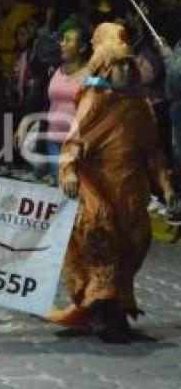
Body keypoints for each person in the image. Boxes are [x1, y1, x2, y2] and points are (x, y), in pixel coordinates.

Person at [50, 23, 176, 342]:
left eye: (126, 64)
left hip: (130, 188)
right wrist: (69, 171)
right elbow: (75, 140)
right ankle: (105, 314)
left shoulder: (139, 105)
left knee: (134, 240)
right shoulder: (95, 99)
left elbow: (154, 152)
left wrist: (167, 186)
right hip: (99, 185)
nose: (122, 71)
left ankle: (113, 308)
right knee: (100, 234)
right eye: (116, 64)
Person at [44, 19, 91, 185]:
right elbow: (47, 103)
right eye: (62, 40)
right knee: (59, 189)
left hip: (77, 144)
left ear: (82, 48)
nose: (62, 44)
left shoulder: (90, 75)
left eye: (68, 41)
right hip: (53, 140)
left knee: (77, 191)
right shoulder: (56, 70)